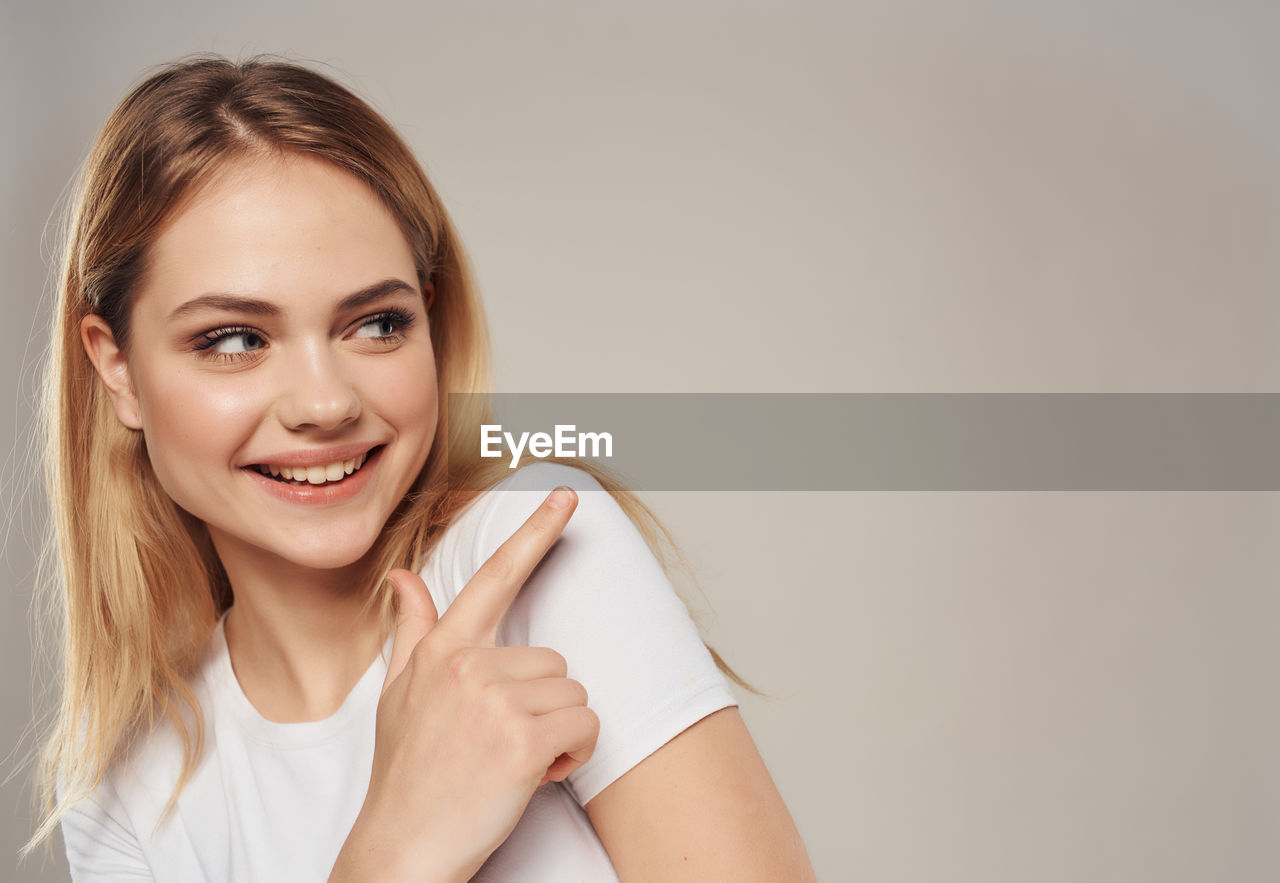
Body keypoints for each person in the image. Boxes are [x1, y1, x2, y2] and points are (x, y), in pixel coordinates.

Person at [26, 55, 815, 881]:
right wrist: (396, 849)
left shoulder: (531, 557)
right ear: (116, 368)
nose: (326, 403)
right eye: (235, 339)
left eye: (375, 323)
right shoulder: (121, 790)